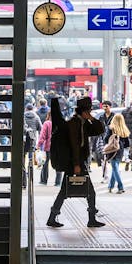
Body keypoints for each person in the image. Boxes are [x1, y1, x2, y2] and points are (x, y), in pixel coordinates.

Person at [46, 96, 105, 229]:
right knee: (89, 192)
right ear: (84, 111)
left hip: (76, 162)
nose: (90, 112)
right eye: (89, 110)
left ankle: (52, 217)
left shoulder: (83, 123)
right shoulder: (74, 123)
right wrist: (77, 164)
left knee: (65, 191)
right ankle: (91, 219)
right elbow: (75, 145)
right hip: (74, 163)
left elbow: (100, 130)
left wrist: (91, 119)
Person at [101, 107, 129, 193]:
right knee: (115, 167)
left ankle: (120, 187)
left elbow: (105, 139)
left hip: (112, 149)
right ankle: (111, 186)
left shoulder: (111, 128)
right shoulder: (124, 129)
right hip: (120, 150)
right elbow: (127, 143)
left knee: (115, 168)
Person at [37, 116, 61, 187]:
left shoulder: (47, 123)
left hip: (48, 147)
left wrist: (39, 144)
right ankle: (58, 182)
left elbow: (42, 135)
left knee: (45, 164)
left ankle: (43, 181)